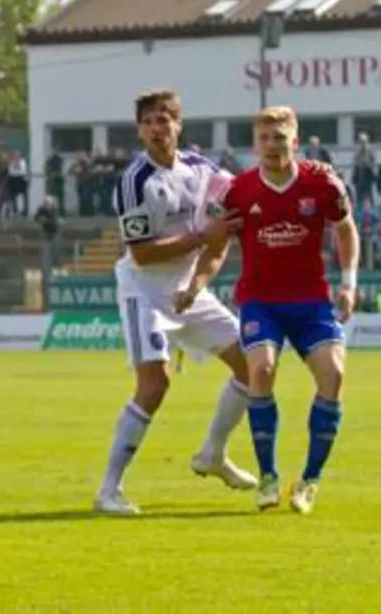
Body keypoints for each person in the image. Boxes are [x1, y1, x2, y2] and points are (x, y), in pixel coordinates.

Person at [92, 89, 255, 516]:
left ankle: (212, 455)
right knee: (154, 386)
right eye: (147, 122)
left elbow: (231, 218)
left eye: (163, 120)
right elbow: (143, 253)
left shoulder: (204, 170)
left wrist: (197, 283)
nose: (156, 128)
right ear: (139, 131)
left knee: (254, 367)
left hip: (189, 290)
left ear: (178, 125)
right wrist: (204, 235)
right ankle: (109, 490)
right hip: (144, 290)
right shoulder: (134, 181)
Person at [196, 105, 358, 514]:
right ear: (255, 144)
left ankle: (309, 481)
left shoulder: (322, 183)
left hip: (311, 302)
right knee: (261, 371)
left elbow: (346, 229)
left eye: (280, 138)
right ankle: (267, 478)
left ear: (295, 142)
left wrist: (349, 283)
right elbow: (218, 242)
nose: (271, 146)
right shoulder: (239, 190)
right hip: (261, 302)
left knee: (334, 375)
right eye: (264, 138)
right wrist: (196, 282)